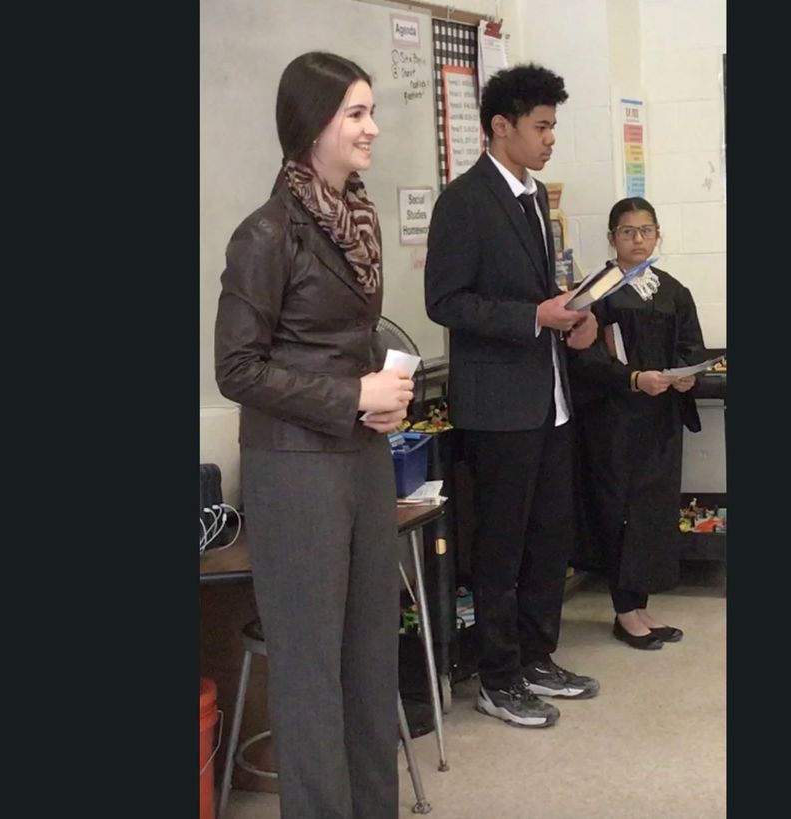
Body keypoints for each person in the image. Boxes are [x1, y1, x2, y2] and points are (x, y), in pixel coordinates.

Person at [214, 52, 413, 818]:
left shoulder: (356, 218)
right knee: (307, 673)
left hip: (360, 457)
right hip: (294, 471)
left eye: (371, 111)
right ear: (312, 125)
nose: (372, 127)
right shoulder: (264, 234)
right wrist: (348, 393)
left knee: (370, 659)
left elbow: (338, 345)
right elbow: (237, 368)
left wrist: (379, 398)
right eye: (356, 113)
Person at [424, 64, 601, 729]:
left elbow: (542, 293)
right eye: (542, 126)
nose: (551, 138)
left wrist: (573, 315)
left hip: (549, 397)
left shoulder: (533, 197)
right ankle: (498, 677)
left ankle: (535, 655)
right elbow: (445, 301)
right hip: (499, 404)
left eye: (554, 125)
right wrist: (534, 318)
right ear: (502, 127)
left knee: (549, 535)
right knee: (499, 546)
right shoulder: (464, 201)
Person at [567, 196, 706, 650]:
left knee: (652, 511)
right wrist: (632, 378)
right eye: (628, 232)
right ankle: (624, 611)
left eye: (646, 230)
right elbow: (584, 358)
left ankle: (640, 605)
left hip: (660, 420)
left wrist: (686, 378)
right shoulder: (596, 293)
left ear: (658, 234)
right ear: (612, 239)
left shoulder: (671, 290)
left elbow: (691, 348)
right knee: (619, 511)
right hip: (614, 421)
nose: (638, 239)